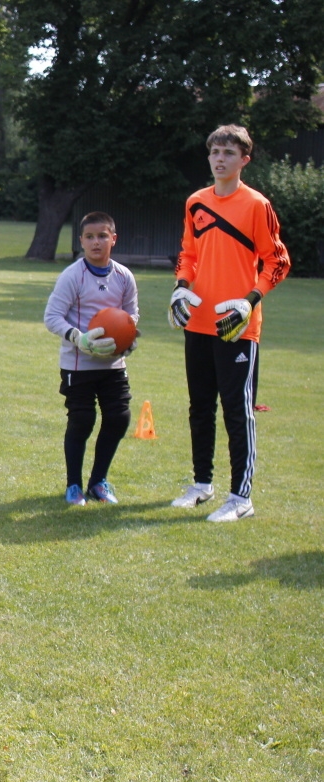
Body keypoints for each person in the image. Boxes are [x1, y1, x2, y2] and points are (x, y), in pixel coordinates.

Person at [168, 124, 290, 522]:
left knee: (237, 411)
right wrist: (180, 289)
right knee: (199, 407)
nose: (220, 159)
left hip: (236, 326)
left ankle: (241, 497)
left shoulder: (256, 205)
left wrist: (249, 302)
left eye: (229, 153)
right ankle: (202, 484)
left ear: (244, 160)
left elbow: (278, 261)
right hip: (198, 322)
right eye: (215, 152)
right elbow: (188, 254)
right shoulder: (195, 202)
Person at [44, 212, 139, 506]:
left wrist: (128, 340)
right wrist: (79, 339)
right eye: (89, 237)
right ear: (81, 241)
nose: (96, 242)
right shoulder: (73, 275)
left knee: (119, 418)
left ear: (113, 239)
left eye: (102, 236)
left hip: (112, 364)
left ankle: (98, 481)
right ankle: (74, 485)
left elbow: (132, 315)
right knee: (82, 420)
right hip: (78, 364)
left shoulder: (124, 276)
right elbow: (52, 317)